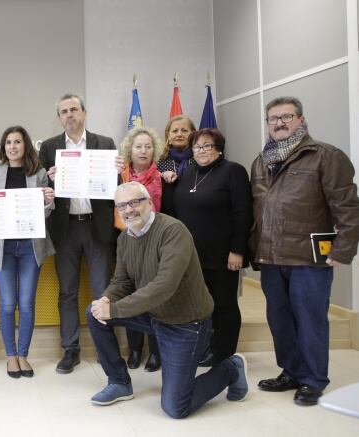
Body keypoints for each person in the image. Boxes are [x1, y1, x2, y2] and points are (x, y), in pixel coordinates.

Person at [85, 182, 249, 418]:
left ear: (150, 203)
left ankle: (231, 368)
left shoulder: (173, 231)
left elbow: (165, 286)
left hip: (186, 323)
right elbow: (122, 281)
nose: (128, 210)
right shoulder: (125, 238)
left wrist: (116, 309)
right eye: (122, 205)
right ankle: (119, 383)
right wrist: (106, 301)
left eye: (134, 202)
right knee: (94, 312)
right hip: (154, 315)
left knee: (175, 408)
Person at [250, 96, 359, 406]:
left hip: (309, 258)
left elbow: (348, 207)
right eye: (273, 118)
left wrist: (343, 249)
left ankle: (313, 379)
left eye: (287, 116)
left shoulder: (326, 156)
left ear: (301, 120)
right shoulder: (261, 160)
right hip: (270, 258)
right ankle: (292, 372)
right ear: (268, 124)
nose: (280, 123)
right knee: (280, 320)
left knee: (310, 319)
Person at [38, 93, 117, 374]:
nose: (69, 115)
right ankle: (70, 350)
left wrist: (117, 172)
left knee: (102, 292)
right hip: (65, 228)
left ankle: (105, 350)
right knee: (68, 293)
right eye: (64, 112)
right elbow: (41, 189)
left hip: (97, 227)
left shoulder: (104, 144)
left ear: (84, 112)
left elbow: (114, 187)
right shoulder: (49, 148)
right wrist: (48, 179)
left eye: (74, 109)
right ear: (59, 117)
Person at [0, 126, 55, 378]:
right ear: (3, 146)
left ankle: (23, 355)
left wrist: (49, 200)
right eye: (8, 142)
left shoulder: (39, 173)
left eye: (17, 142)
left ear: (25, 145)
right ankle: (10, 357)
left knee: (27, 304)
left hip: (31, 246)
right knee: (8, 304)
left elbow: (46, 214)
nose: (12, 146)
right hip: (3, 248)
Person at [173, 128, 252, 366]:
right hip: (192, 255)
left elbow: (243, 213)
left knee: (224, 304)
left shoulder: (233, 171)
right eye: (197, 147)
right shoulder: (188, 173)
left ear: (219, 149)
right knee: (200, 304)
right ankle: (206, 346)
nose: (201, 151)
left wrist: (238, 250)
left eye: (207, 146)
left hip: (223, 254)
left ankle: (224, 353)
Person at [116, 126, 166, 372]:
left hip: (155, 241)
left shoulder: (164, 176)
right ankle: (134, 350)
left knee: (154, 296)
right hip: (127, 240)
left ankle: (156, 352)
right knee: (130, 294)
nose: (143, 150)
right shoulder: (121, 175)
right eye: (138, 146)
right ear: (130, 149)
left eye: (148, 146)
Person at [157, 115, 196, 215]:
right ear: (168, 135)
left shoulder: (200, 159)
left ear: (193, 134)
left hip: (195, 213)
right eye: (175, 131)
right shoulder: (158, 161)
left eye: (184, 130)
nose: (179, 134)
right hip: (168, 216)